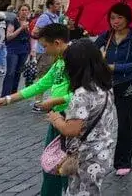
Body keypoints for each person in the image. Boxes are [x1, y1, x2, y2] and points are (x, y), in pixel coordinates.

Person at [0, 23, 72, 196]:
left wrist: (57, 100)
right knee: (51, 166)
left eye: (45, 46)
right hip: (56, 119)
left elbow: (86, 95)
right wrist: (7, 99)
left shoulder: (77, 62)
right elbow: (40, 85)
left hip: (71, 120)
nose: (44, 51)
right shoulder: (59, 61)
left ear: (57, 43)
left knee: (67, 170)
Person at [46, 39, 117, 195]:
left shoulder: (82, 94)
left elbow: (71, 130)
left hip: (86, 155)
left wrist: (56, 119)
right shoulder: (103, 86)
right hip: (102, 151)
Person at [93, 2, 132, 176]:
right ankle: (96, 157)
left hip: (126, 84)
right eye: (112, 18)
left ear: (127, 19)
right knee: (99, 121)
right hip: (105, 84)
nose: (115, 21)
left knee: (125, 123)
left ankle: (123, 161)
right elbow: (91, 52)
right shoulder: (106, 35)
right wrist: (98, 57)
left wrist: (114, 67)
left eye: (119, 18)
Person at [31, 0, 62, 112]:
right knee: (42, 77)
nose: (59, 6)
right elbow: (35, 32)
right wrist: (46, 39)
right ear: (50, 5)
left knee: (53, 75)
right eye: (57, 4)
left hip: (54, 51)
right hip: (44, 52)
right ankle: (37, 103)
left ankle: (49, 101)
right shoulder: (44, 17)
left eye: (59, 3)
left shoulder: (56, 17)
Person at [2, 3, 32, 96]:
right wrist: (21, 28)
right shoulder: (13, 21)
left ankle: (13, 94)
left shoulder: (29, 22)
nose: (24, 12)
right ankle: (5, 95)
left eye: (26, 10)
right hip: (13, 49)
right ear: (19, 11)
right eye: (22, 10)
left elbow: (31, 37)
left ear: (29, 12)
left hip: (24, 50)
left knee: (18, 72)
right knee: (10, 72)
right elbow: (9, 36)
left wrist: (31, 50)